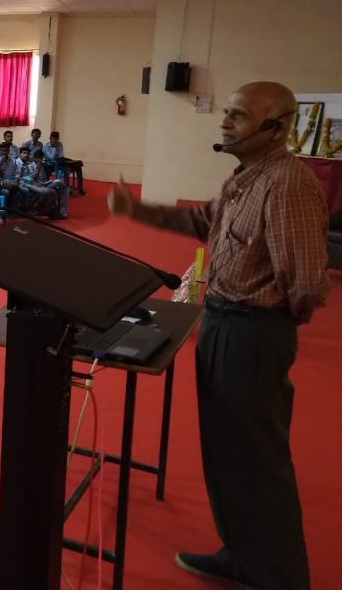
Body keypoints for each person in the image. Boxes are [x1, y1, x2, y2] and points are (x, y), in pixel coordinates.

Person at [107, 81, 329, 590]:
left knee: (257, 459)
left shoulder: (287, 184)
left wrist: (269, 324)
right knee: (229, 454)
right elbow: (202, 221)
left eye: (239, 115)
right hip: (224, 321)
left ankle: (278, 577)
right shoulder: (244, 178)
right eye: (226, 112)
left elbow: (307, 283)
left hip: (253, 332)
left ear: (277, 128)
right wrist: (137, 210)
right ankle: (243, 556)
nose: (226, 122)